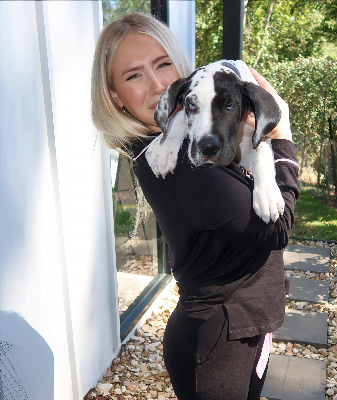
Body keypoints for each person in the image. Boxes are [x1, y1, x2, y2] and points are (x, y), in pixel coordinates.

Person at [91, 12, 300, 400]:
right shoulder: (183, 165)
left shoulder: (185, 138)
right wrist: (283, 140)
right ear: (116, 97)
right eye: (134, 75)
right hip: (219, 340)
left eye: (163, 64)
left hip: (241, 327)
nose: (156, 84)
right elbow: (277, 229)